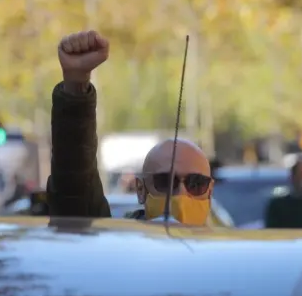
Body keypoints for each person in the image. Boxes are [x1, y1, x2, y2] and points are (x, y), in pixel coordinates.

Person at [46, 30, 216, 225]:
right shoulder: (116, 243)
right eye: (165, 182)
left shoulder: (231, 244)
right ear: (140, 190)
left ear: (210, 191)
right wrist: (76, 84)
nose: (181, 194)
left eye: (196, 184)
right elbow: (74, 193)